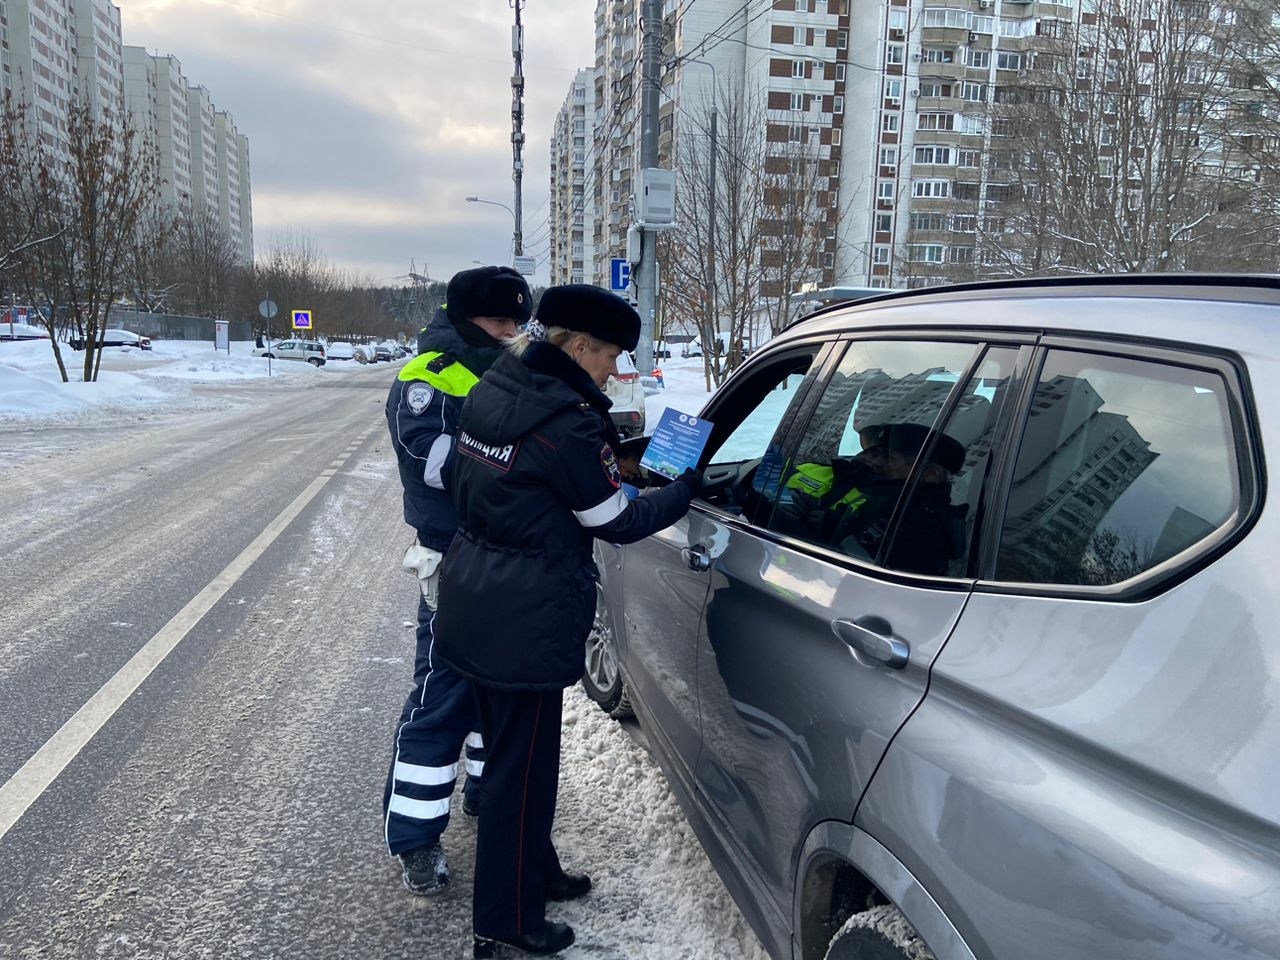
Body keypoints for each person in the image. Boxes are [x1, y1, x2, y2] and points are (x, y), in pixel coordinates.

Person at [434, 285, 702, 958]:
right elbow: (614, 520)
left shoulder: (504, 383)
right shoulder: (568, 418)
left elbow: (541, 475)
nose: (615, 370)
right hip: (524, 611)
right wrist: (685, 488)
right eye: (611, 356)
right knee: (518, 775)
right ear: (578, 347)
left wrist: (617, 463)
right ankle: (503, 923)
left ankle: (536, 871)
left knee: (518, 761)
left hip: (481, 592)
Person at [382, 265, 532, 896]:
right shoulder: (428, 378)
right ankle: (416, 839)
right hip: (454, 557)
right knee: (442, 696)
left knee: (498, 690)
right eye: (502, 323)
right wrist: (533, 460)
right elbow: (437, 464)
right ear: (470, 319)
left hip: (508, 558)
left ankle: (480, 790)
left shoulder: (510, 371)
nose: (513, 334)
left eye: (519, 324)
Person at [781, 422, 967, 575]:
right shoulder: (898, 500)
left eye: (890, 459)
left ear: (930, 474)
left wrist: (836, 530)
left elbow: (862, 575)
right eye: (878, 455)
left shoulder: (917, 522)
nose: (876, 463)